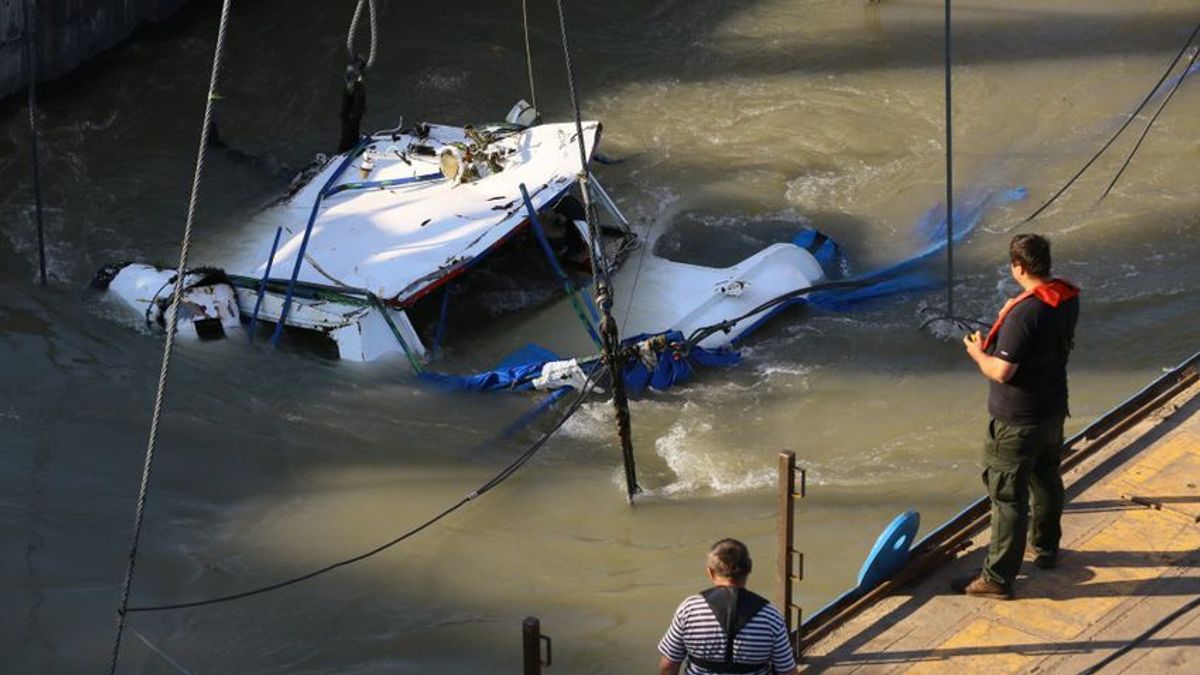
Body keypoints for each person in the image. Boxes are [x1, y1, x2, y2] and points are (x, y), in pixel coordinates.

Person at [959, 233, 1080, 599]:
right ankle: (1044, 548)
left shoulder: (1024, 313)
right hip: (1052, 409)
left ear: (1019, 267)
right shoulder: (1065, 297)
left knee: (1007, 497)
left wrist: (977, 353)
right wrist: (1011, 315)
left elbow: (1001, 371)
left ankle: (997, 578)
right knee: (1046, 479)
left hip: (1017, 421)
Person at [657, 539, 798, 675]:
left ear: (710, 572)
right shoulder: (770, 616)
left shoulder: (689, 610)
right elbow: (787, 671)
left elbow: (668, 666)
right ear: (749, 569)